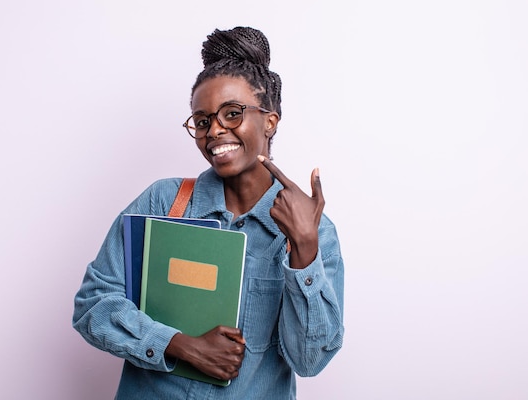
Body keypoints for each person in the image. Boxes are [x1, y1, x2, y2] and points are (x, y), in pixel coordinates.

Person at [72, 26, 344, 399]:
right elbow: (93, 303)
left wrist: (304, 250)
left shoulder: (314, 230)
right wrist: (180, 345)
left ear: (270, 120)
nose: (214, 130)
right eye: (202, 121)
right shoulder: (163, 202)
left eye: (232, 114)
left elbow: (310, 361)